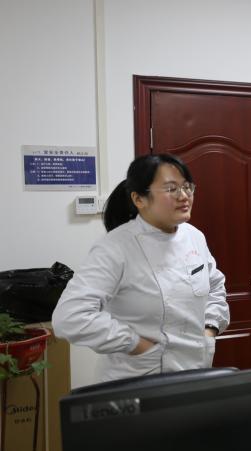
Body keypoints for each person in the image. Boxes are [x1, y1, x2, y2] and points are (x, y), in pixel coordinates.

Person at [53, 154, 229, 382]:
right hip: (137, 377)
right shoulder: (115, 248)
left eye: (187, 187)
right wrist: (136, 344)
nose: (184, 196)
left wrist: (210, 328)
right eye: (171, 189)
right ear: (139, 199)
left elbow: (215, 285)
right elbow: (70, 317)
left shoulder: (194, 237)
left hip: (194, 370)